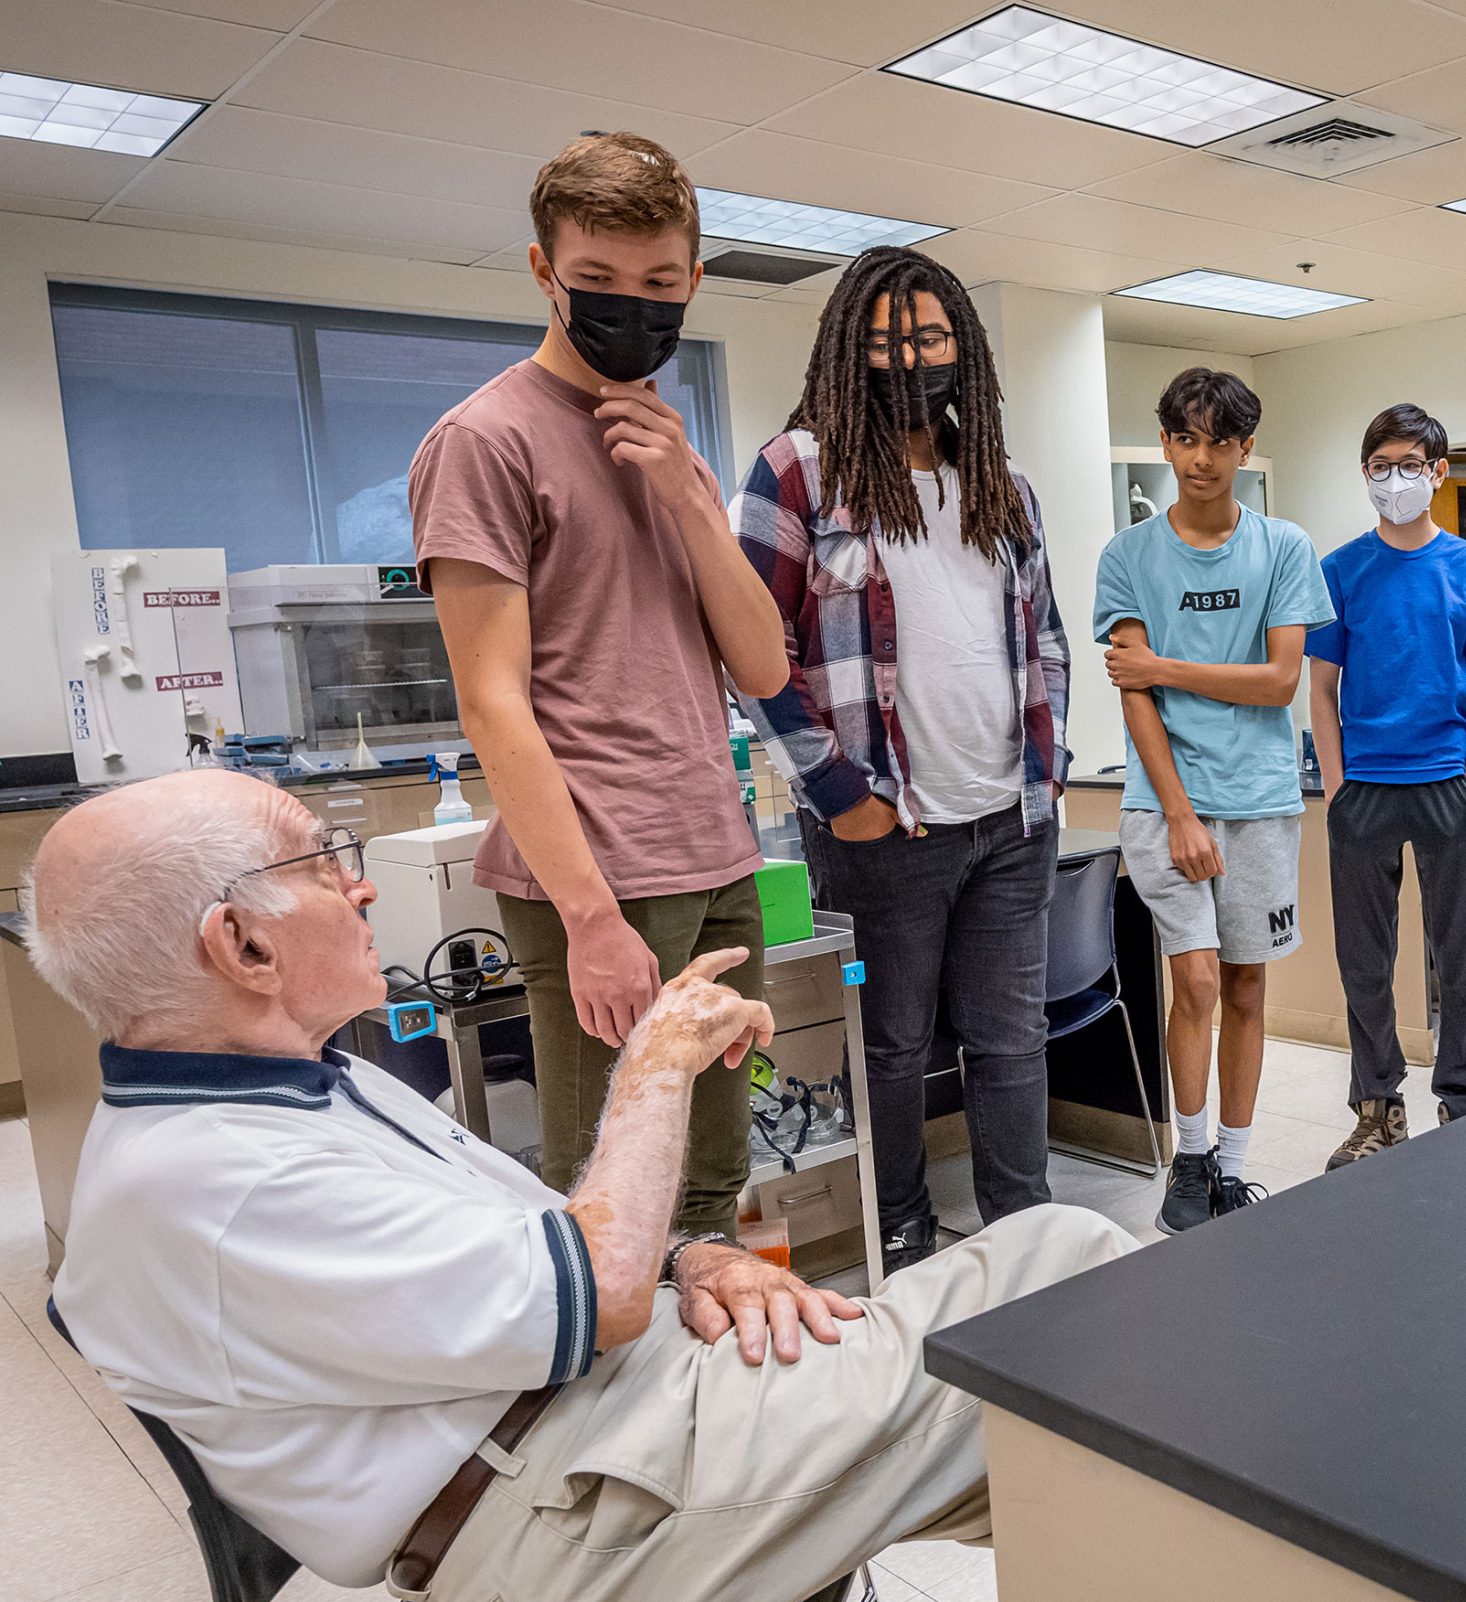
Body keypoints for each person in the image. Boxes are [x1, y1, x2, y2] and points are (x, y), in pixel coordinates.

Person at [31, 771, 1133, 1602]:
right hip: (559, 1541)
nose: (359, 882)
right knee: (1071, 1290)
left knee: (1060, 1397)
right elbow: (596, 1292)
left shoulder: (289, 1091)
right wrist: (658, 1059)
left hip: (595, 1440)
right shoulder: (207, 1181)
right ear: (240, 943)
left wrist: (688, 1255)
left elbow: (542, 1244)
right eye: (323, 863)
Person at [411, 132, 786, 1246]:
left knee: (711, 1183)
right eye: (599, 280)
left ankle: (705, 1356)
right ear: (544, 271)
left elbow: (764, 665)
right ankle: (610, 1369)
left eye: (660, 283)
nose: (635, 305)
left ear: (694, 278)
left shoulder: (675, 451)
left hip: (714, 853)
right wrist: (589, 918)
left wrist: (689, 500)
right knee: (614, 1203)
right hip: (602, 878)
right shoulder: (485, 442)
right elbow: (493, 702)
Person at [735, 246, 1071, 1273]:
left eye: (930, 338)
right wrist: (837, 791)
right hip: (884, 824)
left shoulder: (1000, 483)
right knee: (889, 1047)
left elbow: (1047, 637)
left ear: (964, 349)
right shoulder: (799, 469)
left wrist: (1050, 765)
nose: (913, 360)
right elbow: (749, 646)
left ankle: (1024, 1236)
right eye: (886, 343)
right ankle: (904, 1234)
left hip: (1009, 817)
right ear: (848, 350)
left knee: (1011, 1040)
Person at [1096, 368, 1332, 1231]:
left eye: (1220, 442)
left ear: (1244, 448)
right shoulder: (1127, 556)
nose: (1201, 459)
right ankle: (1189, 1164)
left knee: (1245, 985)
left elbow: (1279, 682)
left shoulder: (1284, 547)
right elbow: (1135, 696)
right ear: (1164, 443)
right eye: (1186, 439)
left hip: (1261, 800)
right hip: (1165, 804)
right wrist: (1181, 813)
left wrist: (1165, 666)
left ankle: (1232, 1168)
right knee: (1193, 980)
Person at [1307, 403, 1466, 1171]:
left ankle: (1465, 1102)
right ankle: (1378, 1109)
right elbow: (1321, 690)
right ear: (1364, 473)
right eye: (1380, 466)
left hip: (1445, 785)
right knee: (1364, 962)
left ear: (1438, 472)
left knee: (1460, 957)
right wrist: (1337, 788)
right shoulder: (1339, 571)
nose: (1393, 479)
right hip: (1363, 789)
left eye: (1409, 465)